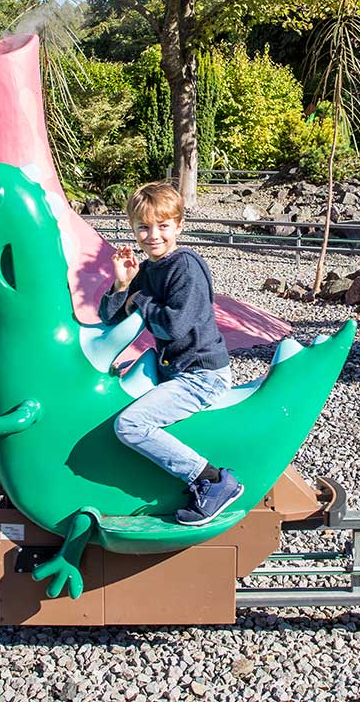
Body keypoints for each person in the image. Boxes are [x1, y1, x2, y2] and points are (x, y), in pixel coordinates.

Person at [98, 181, 243, 525]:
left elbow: (172, 326)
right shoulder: (148, 269)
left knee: (131, 425)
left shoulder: (185, 267)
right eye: (144, 227)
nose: (153, 235)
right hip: (175, 368)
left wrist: (140, 299)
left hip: (202, 374)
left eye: (162, 226)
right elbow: (111, 316)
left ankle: (212, 480)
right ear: (133, 229)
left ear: (178, 225)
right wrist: (122, 284)